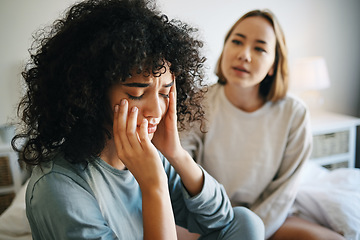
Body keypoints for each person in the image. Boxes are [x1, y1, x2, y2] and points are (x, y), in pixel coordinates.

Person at [11, 0, 265, 239]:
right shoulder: (58, 187)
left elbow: (223, 219)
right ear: (91, 94)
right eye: (137, 93)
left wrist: (176, 154)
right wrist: (153, 185)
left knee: (246, 221)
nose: (156, 110)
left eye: (165, 93)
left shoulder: (148, 156)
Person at [180, 9, 345, 240]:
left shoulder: (294, 114)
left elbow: (283, 193)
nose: (244, 55)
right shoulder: (198, 102)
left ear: (273, 65)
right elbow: (180, 172)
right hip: (204, 216)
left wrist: (251, 232)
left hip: (267, 217)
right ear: (225, 47)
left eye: (259, 48)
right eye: (236, 42)